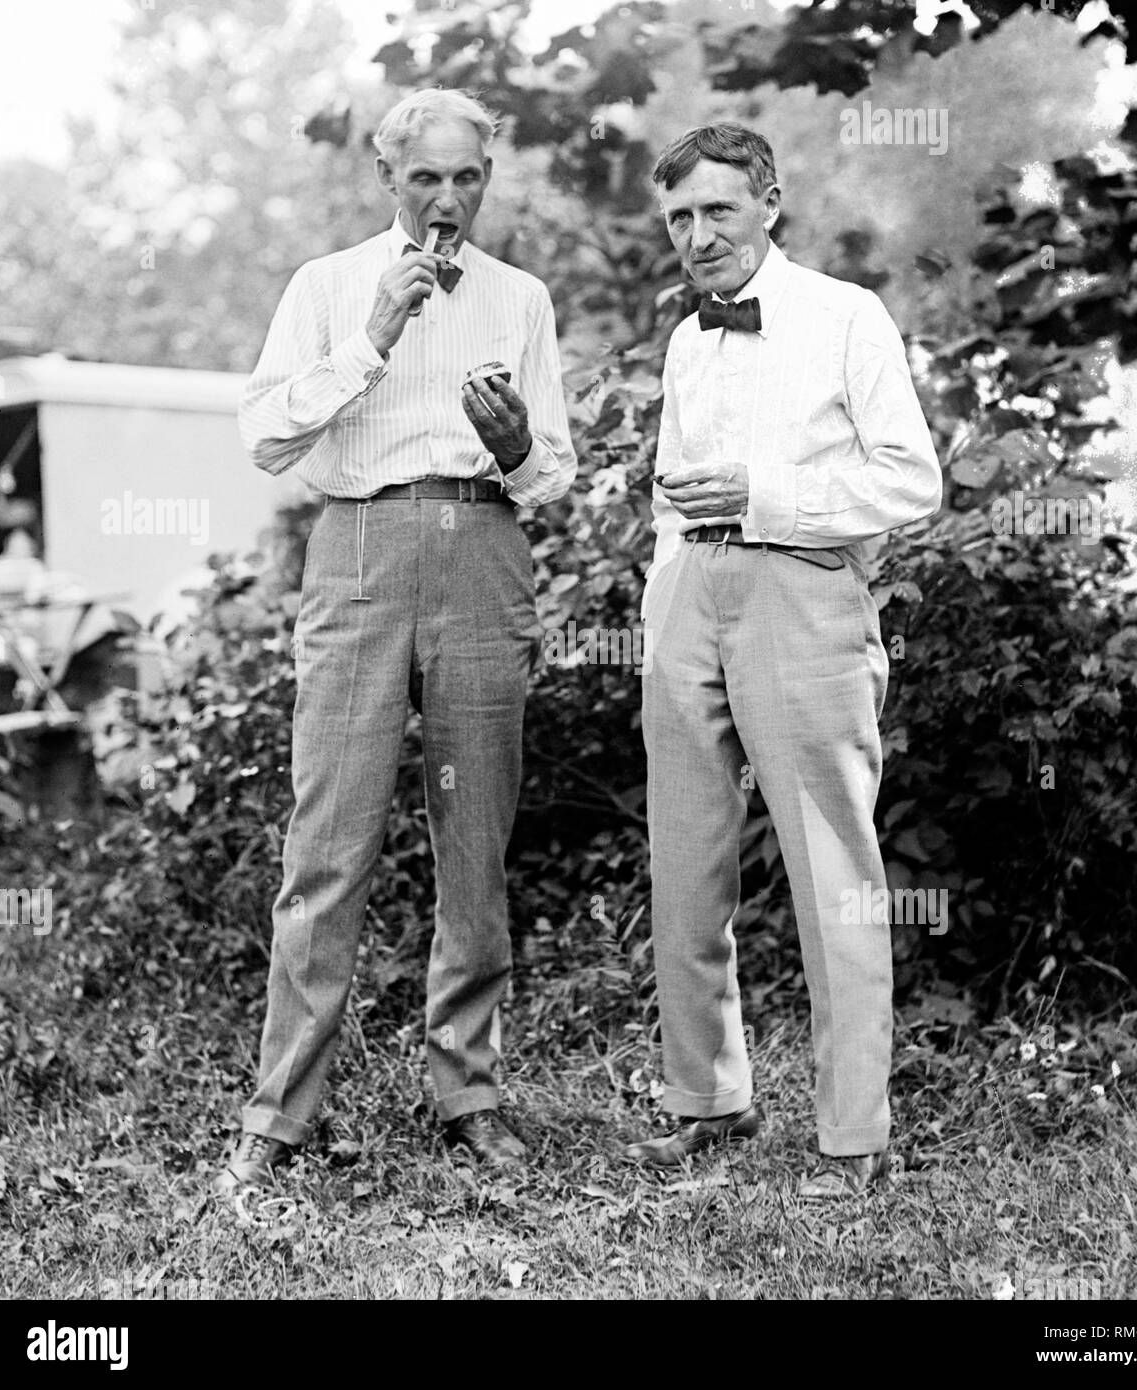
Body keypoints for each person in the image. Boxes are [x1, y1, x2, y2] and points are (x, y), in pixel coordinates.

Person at [216, 88, 576, 1193]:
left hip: (479, 545)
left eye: (468, 176)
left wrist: (517, 449)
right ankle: (282, 1111)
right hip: (360, 550)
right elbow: (266, 437)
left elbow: (552, 472)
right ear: (386, 179)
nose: (449, 198)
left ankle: (466, 1090)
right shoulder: (325, 286)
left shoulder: (519, 297)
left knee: (477, 839)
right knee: (327, 837)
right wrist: (369, 337)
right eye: (426, 177)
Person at [625, 123, 941, 1197]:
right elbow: (674, 489)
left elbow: (911, 484)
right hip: (686, 601)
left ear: (768, 200)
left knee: (832, 872)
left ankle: (852, 1136)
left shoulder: (846, 317)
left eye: (717, 209)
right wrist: (662, 595)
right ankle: (705, 1100)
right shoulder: (685, 339)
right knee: (684, 862)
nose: (697, 234)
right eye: (678, 217)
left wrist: (773, 500)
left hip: (802, 594)